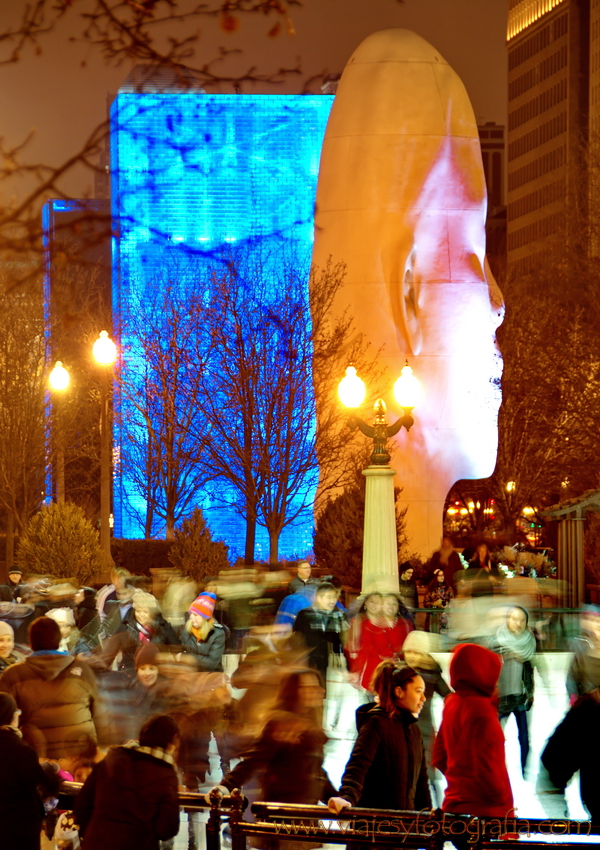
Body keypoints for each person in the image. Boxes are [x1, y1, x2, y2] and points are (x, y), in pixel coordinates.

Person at [214, 668, 336, 809]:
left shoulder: (309, 725)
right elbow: (254, 760)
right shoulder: (281, 725)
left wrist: (336, 799)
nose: (318, 691)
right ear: (294, 691)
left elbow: (315, 771)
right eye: (309, 687)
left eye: (317, 686)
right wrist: (226, 786)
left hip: (305, 812)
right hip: (283, 813)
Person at [328, 662, 430, 814]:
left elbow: (421, 782)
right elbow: (358, 765)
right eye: (418, 691)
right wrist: (347, 797)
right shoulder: (376, 724)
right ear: (399, 692)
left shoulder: (413, 730)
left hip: (405, 825)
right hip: (375, 824)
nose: (423, 698)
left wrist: (427, 816)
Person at [432, 643, 513, 822]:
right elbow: (484, 766)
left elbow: (439, 756)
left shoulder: (452, 703)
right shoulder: (482, 710)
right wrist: (502, 800)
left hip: (455, 803)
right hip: (486, 810)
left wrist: (460, 783)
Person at [75, 714, 180, 850]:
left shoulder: (112, 760)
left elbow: (82, 805)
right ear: (172, 742)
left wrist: (92, 834)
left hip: (97, 842)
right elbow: (166, 830)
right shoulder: (166, 775)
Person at [0, 616, 98, 758]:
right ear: (58, 640)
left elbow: (5, 719)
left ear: (31, 642)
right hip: (80, 754)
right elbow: (98, 710)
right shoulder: (81, 669)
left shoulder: (14, 674)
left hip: (37, 755)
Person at [0, 691, 61, 850]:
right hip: (19, 826)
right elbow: (47, 783)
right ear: (12, 717)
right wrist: (53, 773)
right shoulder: (22, 751)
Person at [400, 630, 451, 807]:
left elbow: (449, 696)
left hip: (424, 731)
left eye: (417, 652)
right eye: (409, 651)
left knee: (427, 772)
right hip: (400, 729)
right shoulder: (398, 672)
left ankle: (434, 808)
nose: (412, 656)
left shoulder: (432, 675)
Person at [489, 605, 535, 777]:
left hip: (521, 697)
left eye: (522, 620)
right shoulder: (496, 642)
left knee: (524, 737)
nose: (518, 623)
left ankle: (525, 771)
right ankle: (496, 770)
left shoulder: (530, 642)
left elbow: (531, 671)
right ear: (507, 620)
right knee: (496, 737)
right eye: (514, 619)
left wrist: (530, 693)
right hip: (502, 697)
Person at [292, 582, 348, 679]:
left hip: (334, 663)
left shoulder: (340, 615)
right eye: (329, 597)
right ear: (318, 598)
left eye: (334, 597)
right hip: (311, 662)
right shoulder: (305, 614)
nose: (332, 601)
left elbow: (345, 639)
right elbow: (297, 638)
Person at [179, 592, 226, 672]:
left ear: (205, 618)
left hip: (210, 677)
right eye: (190, 614)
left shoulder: (217, 634)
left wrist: (188, 657)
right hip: (190, 674)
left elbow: (211, 664)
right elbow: (179, 653)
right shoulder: (186, 630)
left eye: (195, 615)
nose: (191, 617)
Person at [423, 569, 454, 633]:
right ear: (435, 577)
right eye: (439, 575)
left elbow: (452, 602)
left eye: (443, 575)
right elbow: (425, 603)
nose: (442, 577)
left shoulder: (448, 588)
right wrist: (434, 603)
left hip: (445, 618)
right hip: (433, 618)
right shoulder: (430, 589)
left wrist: (446, 605)